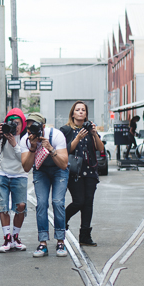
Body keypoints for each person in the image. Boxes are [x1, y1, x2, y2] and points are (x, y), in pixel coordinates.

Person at [25, 112, 70, 257]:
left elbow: (64, 165)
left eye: (35, 127)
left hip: (58, 170)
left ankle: (60, 241)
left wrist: (51, 149)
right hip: (41, 171)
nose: (31, 130)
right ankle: (43, 243)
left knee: (57, 202)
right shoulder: (26, 140)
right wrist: (32, 147)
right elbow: (26, 167)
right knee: (42, 203)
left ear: (43, 127)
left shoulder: (56, 135)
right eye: (29, 127)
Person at [61, 101, 104, 248]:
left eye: (83, 110)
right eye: (77, 110)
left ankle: (85, 236)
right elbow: (65, 150)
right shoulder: (66, 130)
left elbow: (100, 148)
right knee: (79, 201)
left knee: (88, 203)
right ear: (72, 113)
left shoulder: (90, 129)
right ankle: (62, 220)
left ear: (86, 114)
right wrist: (77, 138)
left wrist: (93, 133)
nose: (80, 112)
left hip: (90, 172)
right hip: (74, 172)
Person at [0, 109, 29, 253]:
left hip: (19, 174)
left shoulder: (26, 136)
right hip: (2, 172)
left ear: (23, 123)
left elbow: (24, 159)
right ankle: (7, 238)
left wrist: (14, 144)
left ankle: (15, 237)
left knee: (21, 206)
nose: (14, 127)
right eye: (11, 123)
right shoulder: (1, 130)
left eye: (17, 123)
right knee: (3, 206)